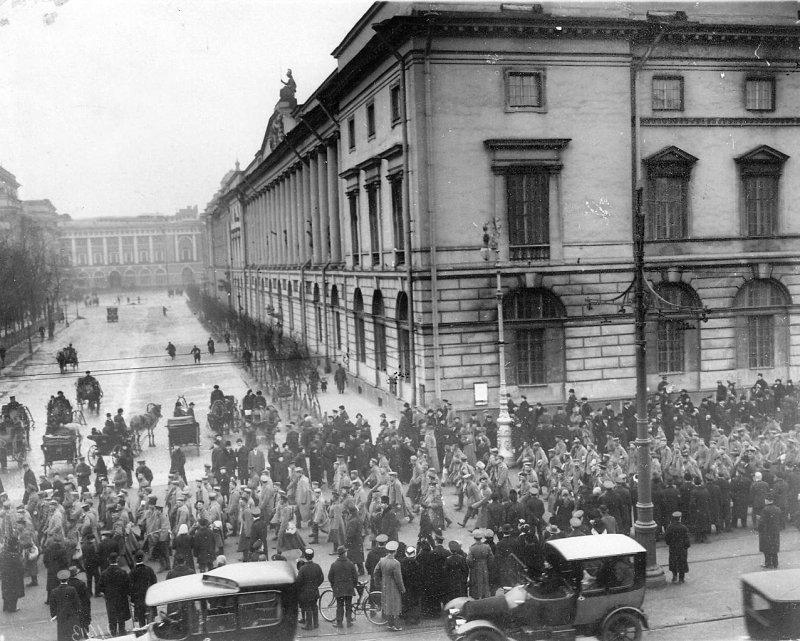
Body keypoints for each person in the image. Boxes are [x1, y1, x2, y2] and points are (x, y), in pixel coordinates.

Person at [373, 539, 405, 631]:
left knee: (388, 605)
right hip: (393, 587)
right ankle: (396, 625)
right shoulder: (396, 563)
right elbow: (398, 579)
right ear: (395, 551)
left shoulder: (382, 560)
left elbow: (376, 572)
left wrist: (378, 582)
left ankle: (390, 624)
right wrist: (402, 588)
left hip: (385, 585)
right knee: (395, 606)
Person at [99, 552, 131, 636]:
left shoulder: (104, 573)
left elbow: (100, 588)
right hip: (121, 598)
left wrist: (104, 594)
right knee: (121, 618)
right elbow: (128, 586)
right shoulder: (123, 572)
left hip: (110, 599)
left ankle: (113, 634)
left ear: (108, 560)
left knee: (112, 617)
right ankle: (122, 633)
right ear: (117, 559)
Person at [327, 545, 358, 628]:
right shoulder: (350, 563)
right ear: (344, 553)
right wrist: (353, 585)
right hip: (348, 589)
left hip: (339, 589)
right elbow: (355, 576)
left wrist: (334, 586)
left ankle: (339, 623)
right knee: (348, 605)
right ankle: (349, 622)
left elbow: (330, 577)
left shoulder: (334, 564)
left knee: (339, 606)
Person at [296, 548, 324, 630]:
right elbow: (321, 578)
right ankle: (316, 623)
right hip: (315, 590)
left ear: (305, 556)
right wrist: (316, 585)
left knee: (307, 607)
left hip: (305, 592)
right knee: (314, 606)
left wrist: (301, 588)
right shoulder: (317, 566)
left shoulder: (302, 569)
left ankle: (309, 625)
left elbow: (299, 581)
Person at [50, 569, 80, 641]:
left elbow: (52, 605)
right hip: (71, 614)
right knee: (72, 634)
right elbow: (77, 603)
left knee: (62, 634)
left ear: (59, 580)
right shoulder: (72, 589)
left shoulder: (54, 591)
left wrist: (54, 615)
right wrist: (77, 612)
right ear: (68, 579)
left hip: (61, 615)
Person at [129, 551, 157, 627]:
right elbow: (154, 583)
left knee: (141, 621)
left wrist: (132, 598)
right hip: (149, 597)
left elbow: (130, 587)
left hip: (138, 599)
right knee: (151, 620)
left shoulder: (132, 572)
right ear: (143, 558)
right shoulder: (149, 570)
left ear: (135, 559)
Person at [664, 511, 690, 583]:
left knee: (673, 562)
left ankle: (674, 576)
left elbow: (666, 538)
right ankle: (681, 579)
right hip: (682, 549)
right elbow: (687, 540)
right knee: (682, 562)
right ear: (680, 518)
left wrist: (670, 544)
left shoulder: (670, 527)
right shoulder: (684, 528)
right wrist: (686, 546)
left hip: (673, 548)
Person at [0, 536, 24, 613]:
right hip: (14, 576)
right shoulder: (15, 555)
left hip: (5, 575)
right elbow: (20, 566)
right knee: (14, 592)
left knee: (6, 590)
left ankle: (6, 606)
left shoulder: (3, 553)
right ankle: (12, 608)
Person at [67, 566, 91, 637]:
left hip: (71, 610)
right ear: (76, 574)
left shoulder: (67, 585)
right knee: (84, 628)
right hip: (82, 608)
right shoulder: (81, 584)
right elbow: (87, 599)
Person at [758, 493, 782, 569]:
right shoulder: (778, 509)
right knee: (774, 547)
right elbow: (781, 520)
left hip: (766, 532)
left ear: (767, 500)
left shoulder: (765, 510)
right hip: (775, 531)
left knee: (766, 548)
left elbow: (762, 522)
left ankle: (768, 563)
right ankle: (775, 563)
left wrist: (759, 528)